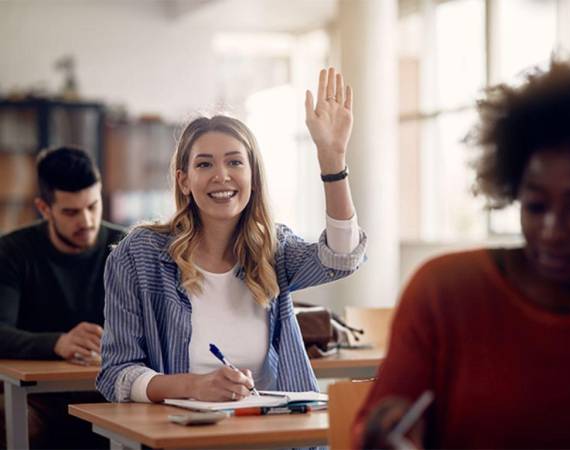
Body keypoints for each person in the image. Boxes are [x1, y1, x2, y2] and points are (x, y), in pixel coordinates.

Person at [355, 56, 570, 449]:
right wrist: (386, 429)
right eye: (535, 206)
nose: (552, 231)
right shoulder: (446, 292)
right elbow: (376, 423)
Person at [97, 67, 367, 404]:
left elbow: (342, 257)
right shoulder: (139, 255)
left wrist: (332, 161)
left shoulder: (274, 247)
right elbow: (117, 374)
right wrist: (193, 386)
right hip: (182, 433)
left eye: (235, 162)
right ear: (184, 180)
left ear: (252, 176)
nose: (221, 176)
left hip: (271, 432)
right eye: (204, 164)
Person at [0, 146, 125, 449]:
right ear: (44, 208)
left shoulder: (125, 248)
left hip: (112, 392)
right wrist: (57, 342)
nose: (87, 221)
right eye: (70, 211)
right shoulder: (13, 253)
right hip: (37, 397)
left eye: (93, 206)